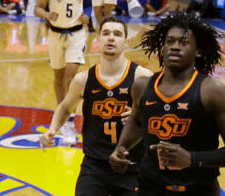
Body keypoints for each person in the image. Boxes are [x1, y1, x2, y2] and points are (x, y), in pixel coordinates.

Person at [110, 13, 225, 195]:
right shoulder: (142, 86)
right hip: (150, 188)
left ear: (198, 51)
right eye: (170, 41)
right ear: (162, 48)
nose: (175, 47)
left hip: (198, 190)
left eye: (183, 43)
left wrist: (192, 159)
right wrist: (121, 148)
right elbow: (137, 121)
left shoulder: (211, 91)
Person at [40, 17, 154, 194]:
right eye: (106, 33)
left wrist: (139, 115)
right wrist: (52, 129)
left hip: (132, 165)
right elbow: (64, 108)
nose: (110, 38)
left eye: (117, 34)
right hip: (95, 167)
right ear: (98, 40)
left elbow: (158, 116)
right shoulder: (83, 80)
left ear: (126, 42)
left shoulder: (142, 76)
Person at [35, 0, 90, 109]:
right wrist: (46, 15)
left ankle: (70, 111)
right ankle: (61, 109)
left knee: (71, 77)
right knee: (58, 76)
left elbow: (88, 6)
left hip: (76, 33)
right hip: (55, 33)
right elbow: (37, 8)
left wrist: (87, 15)